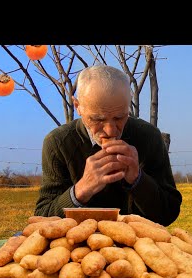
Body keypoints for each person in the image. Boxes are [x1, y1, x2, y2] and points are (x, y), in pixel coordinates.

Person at [34, 65, 182, 226]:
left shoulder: (149, 137)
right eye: (97, 119)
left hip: (138, 245)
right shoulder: (58, 143)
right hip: (78, 247)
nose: (111, 130)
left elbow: (169, 214)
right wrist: (81, 191)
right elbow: (42, 219)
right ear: (78, 106)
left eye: (119, 117)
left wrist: (138, 180)